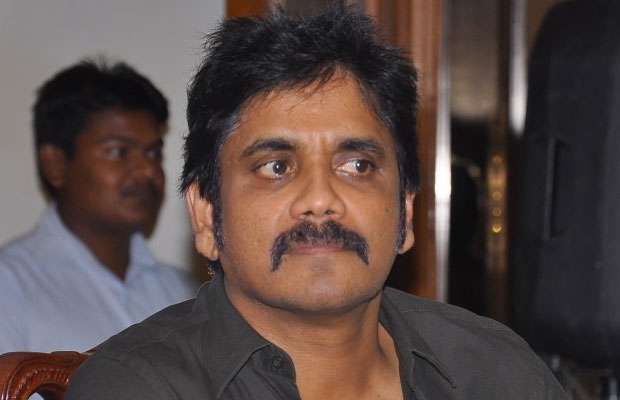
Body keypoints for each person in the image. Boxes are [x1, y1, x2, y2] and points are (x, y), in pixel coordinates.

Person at [65, 4, 566, 399]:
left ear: (406, 212)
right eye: (276, 167)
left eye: (357, 166)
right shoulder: (139, 387)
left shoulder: (494, 371)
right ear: (206, 215)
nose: (321, 200)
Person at [0, 60, 198, 354]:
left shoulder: (184, 292)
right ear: (55, 164)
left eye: (153, 153)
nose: (147, 170)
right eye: (118, 151)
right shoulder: (11, 284)